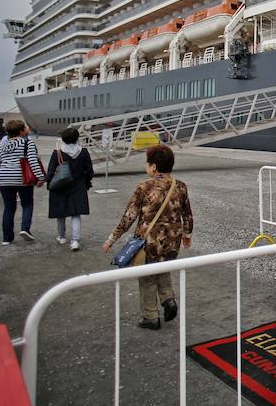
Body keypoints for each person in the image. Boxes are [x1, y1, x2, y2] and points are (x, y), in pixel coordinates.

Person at [102, 145, 193, 330]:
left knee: (147, 276)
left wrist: (112, 239)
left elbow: (129, 216)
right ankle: (168, 300)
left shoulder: (144, 187)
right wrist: (187, 234)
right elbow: (187, 214)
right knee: (163, 267)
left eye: (148, 163)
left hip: (149, 240)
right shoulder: (181, 186)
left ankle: (150, 317)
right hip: (172, 240)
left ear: (154, 166)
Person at [0, 120, 44, 246]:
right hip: (22, 178)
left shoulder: (3, 145)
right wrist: (40, 177)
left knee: (9, 207)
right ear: (21, 131)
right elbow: (32, 161)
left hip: (3, 178)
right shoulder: (27, 142)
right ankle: (25, 229)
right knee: (27, 204)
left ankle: (7, 238)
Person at [46, 128, 94, 251]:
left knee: (60, 213)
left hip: (60, 185)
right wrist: (87, 181)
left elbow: (51, 171)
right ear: (77, 138)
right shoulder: (83, 152)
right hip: (78, 185)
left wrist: (49, 185)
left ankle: (62, 237)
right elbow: (89, 171)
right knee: (75, 213)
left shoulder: (58, 152)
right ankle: (75, 240)